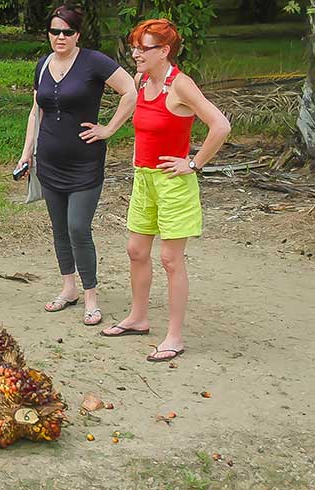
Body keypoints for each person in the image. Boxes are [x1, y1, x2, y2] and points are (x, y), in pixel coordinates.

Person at [100, 19, 230, 363]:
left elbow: (221, 125)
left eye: (144, 48)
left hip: (173, 184)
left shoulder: (181, 85)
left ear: (164, 51)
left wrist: (194, 163)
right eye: (135, 47)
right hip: (144, 179)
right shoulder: (143, 80)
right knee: (135, 250)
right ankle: (138, 318)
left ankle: (174, 336)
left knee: (171, 260)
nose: (136, 54)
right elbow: (137, 117)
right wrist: (111, 130)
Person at [15, 4, 137, 326]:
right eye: (55, 31)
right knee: (59, 229)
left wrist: (109, 129)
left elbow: (131, 91)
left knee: (78, 228)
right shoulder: (43, 64)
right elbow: (35, 111)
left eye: (67, 32)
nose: (60, 37)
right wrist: (27, 153)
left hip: (85, 162)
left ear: (77, 34)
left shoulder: (94, 62)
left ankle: (91, 296)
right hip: (50, 161)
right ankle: (68, 287)